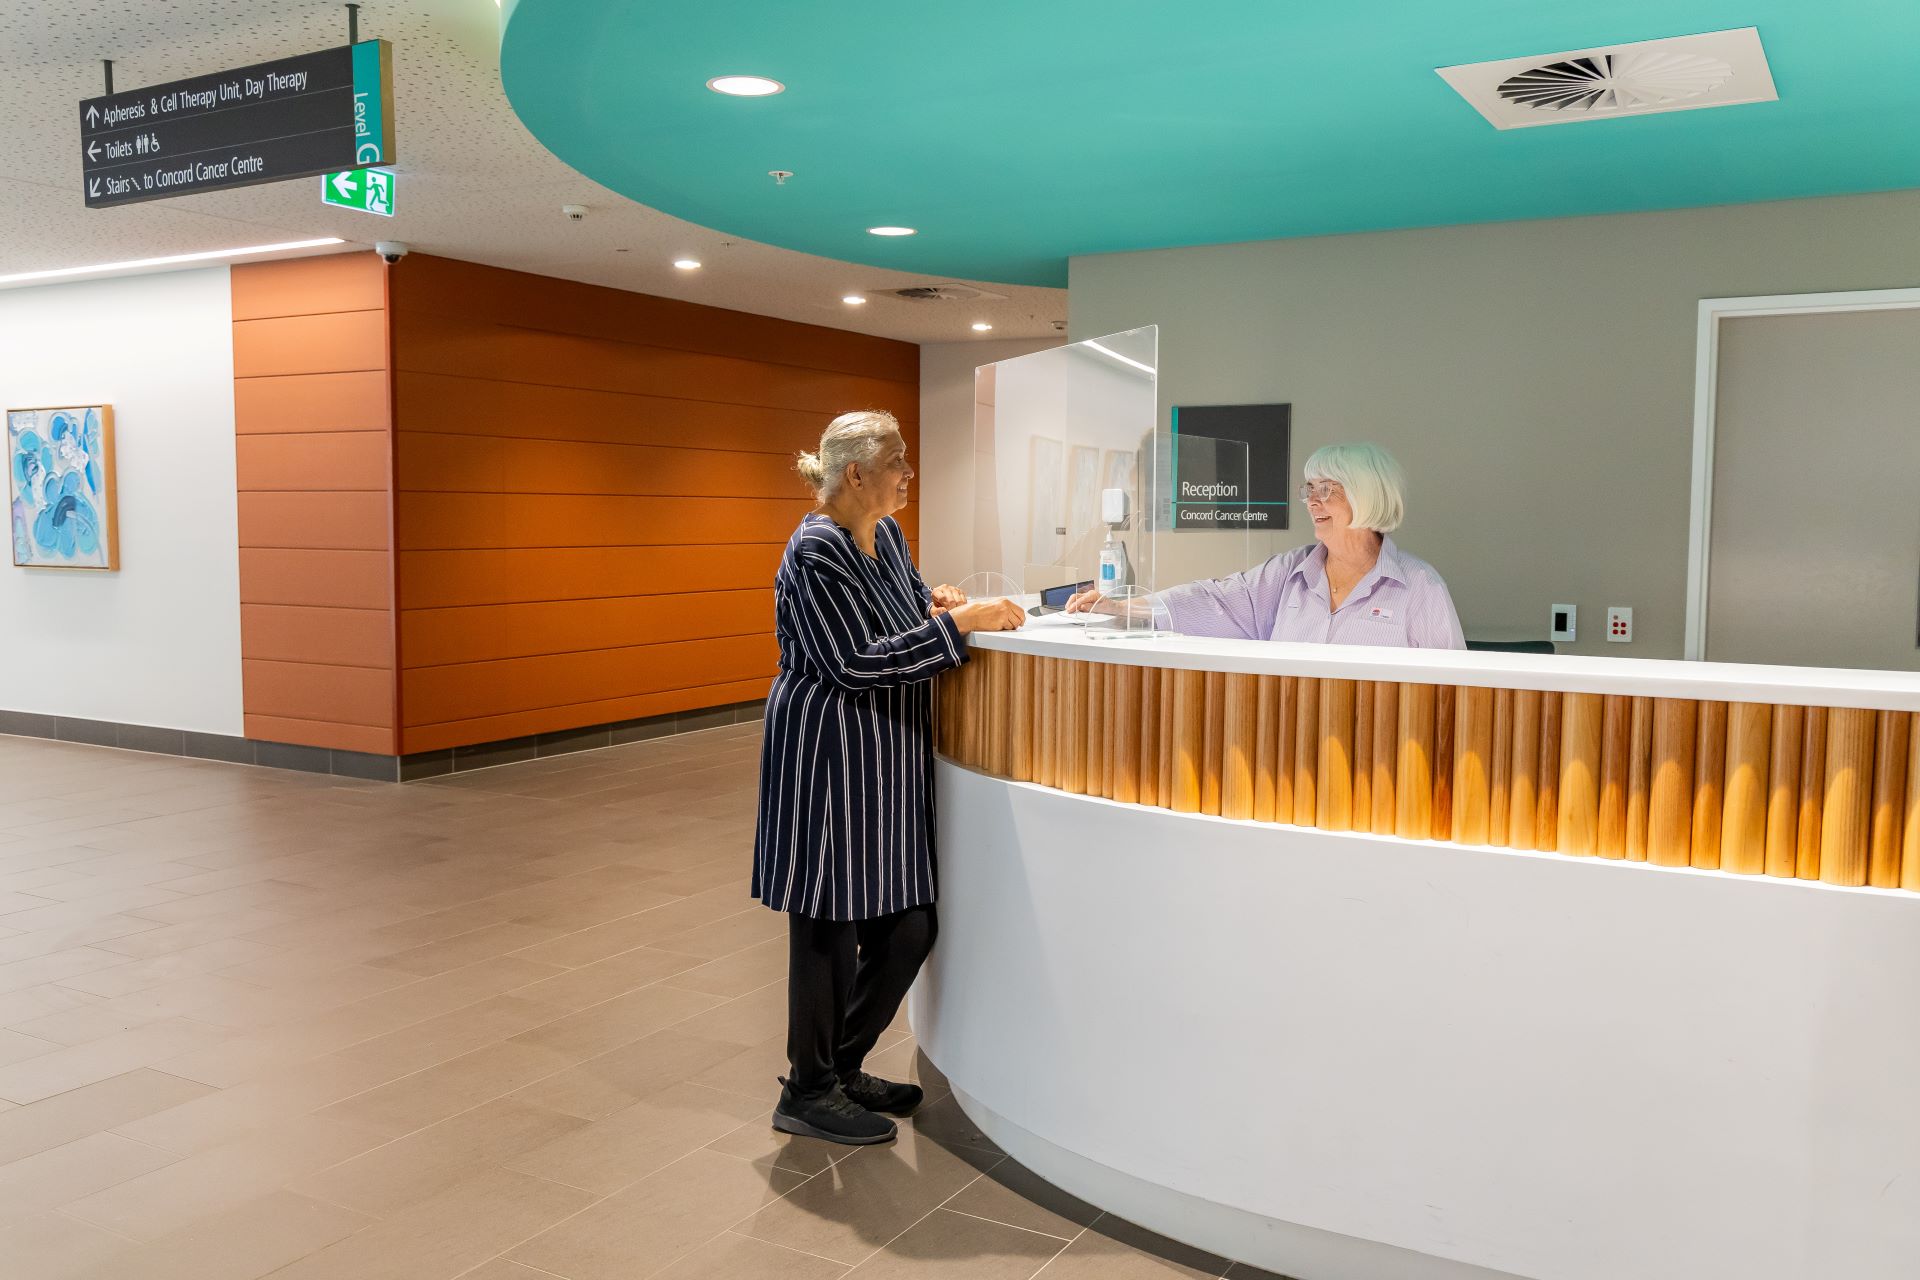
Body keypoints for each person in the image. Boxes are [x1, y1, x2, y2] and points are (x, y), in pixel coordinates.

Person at [754, 409, 1025, 1146]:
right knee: (828, 923)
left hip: (883, 758)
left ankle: (840, 1068)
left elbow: (897, 619)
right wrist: (961, 623)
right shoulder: (815, 551)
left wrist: (933, 602)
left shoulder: (889, 537)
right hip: (828, 754)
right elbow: (856, 661)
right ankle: (807, 1089)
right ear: (856, 474)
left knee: (908, 925)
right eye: (899, 462)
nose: (910, 473)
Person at [1068, 442, 1464, 647]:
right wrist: (1124, 607)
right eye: (1309, 489)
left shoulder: (1420, 588)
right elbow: (1214, 601)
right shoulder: (1289, 572)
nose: (1311, 500)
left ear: (1367, 494)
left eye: (1326, 489)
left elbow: (1454, 691)